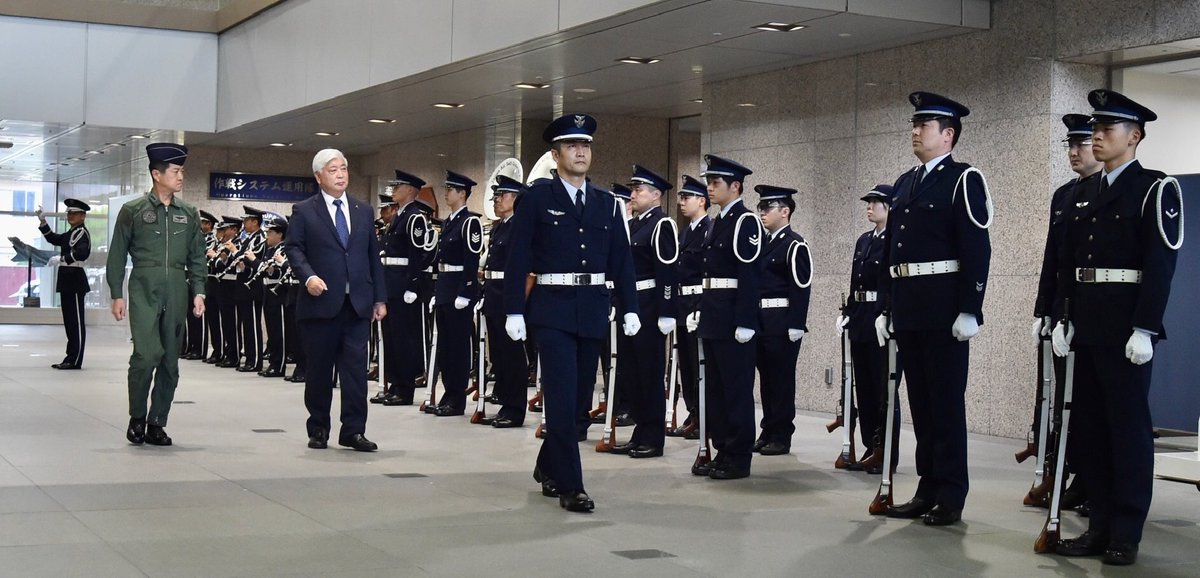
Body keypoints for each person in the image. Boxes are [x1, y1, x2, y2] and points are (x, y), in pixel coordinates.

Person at [1051, 90, 1183, 566]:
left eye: (1107, 130)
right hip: (1085, 325)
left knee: (1127, 431)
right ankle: (1098, 524)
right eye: (1096, 130)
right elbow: (1069, 262)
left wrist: (1146, 328)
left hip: (1126, 329)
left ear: (1135, 137)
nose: (1098, 138)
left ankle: (1125, 531)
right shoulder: (1084, 192)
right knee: (1089, 431)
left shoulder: (1154, 188)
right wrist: (1064, 316)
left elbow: (1160, 264)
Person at [504, 113, 640, 513]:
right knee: (561, 399)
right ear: (556, 153)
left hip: (593, 309)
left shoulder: (606, 204)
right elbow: (518, 257)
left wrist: (630, 306)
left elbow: (622, 261)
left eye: (586, 146)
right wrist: (515, 309)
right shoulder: (538, 198)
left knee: (579, 402)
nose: (581, 152)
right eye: (571, 146)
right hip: (553, 311)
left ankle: (548, 463)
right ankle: (571, 485)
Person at [876, 92, 992, 526]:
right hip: (909, 308)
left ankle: (951, 493)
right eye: (914, 124)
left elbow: (976, 248)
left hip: (944, 310)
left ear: (948, 135)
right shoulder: (906, 183)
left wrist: (970, 308)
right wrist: (887, 307)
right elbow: (893, 251)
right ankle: (927, 486)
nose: (915, 131)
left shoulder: (964, 179)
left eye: (924, 125)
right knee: (921, 405)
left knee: (945, 404)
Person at [283, 149, 387, 452]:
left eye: (343, 168)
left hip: (356, 305)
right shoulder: (304, 210)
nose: (340, 174)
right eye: (333, 170)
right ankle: (318, 428)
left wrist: (379, 298)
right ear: (318, 176)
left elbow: (372, 258)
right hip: (320, 304)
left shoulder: (363, 210)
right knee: (319, 371)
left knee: (355, 372)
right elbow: (294, 249)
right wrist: (308, 277)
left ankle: (353, 431)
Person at [106, 143, 207, 446]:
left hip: (177, 288)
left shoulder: (188, 213)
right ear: (156, 174)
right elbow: (117, 254)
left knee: (170, 362)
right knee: (146, 355)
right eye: (176, 171)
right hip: (143, 288)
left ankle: (156, 423)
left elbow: (198, 257)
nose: (181, 177)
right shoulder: (133, 211)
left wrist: (199, 291)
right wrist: (116, 293)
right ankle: (137, 416)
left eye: (182, 172)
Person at [1030, 114, 1104, 511]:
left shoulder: (1104, 192)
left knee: (1092, 406)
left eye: (1082, 144)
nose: (1074, 152)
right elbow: (1053, 259)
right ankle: (1075, 475)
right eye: (1070, 145)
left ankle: (1095, 482)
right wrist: (1044, 309)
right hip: (1063, 313)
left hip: (1093, 313)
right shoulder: (1063, 195)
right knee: (1066, 401)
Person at [688, 154, 763, 480]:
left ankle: (738, 455)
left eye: (715, 183)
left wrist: (746, 321)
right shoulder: (718, 221)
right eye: (709, 183)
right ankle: (722, 449)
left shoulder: (746, 222)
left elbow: (750, 274)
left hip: (734, 318)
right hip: (715, 315)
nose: (710, 188)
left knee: (736, 389)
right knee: (716, 389)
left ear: (735, 186)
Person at [610, 165, 678, 459]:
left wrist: (666, 311)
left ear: (656, 195)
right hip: (631, 307)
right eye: (634, 189)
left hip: (649, 306)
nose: (634, 194)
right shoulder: (635, 224)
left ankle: (653, 436)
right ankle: (640, 432)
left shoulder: (662, 225)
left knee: (649, 373)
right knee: (632, 373)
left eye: (639, 189)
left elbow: (667, 272)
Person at [841, 185, 898, 474]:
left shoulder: (895, 239)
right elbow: (856, 282)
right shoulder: (864, 240)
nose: (869, 206)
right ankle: (868, 444)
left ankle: (885, 449)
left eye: (875, 202)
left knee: (882, 388)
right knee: (863, 387)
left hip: (880, 319)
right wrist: (849, 312)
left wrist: (887, 312)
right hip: (862, 318)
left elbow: (892, 281)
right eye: (868, 202)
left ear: (888, 207)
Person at [752, 185, 811, 456]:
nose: (762, 212)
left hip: (782, 321)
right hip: (762, 319)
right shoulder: (762, 243)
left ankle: (782, 434)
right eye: (760, 207)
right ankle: (768, 428)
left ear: (785, 211)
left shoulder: (794, 244)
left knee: (781, 380)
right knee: (766, 380)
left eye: (768, 208)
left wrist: (796, 324)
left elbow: (801, 286)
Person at [374, 170, 433, 406]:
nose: (394, 190)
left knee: (403, 339)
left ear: (410, 189)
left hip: (403, 287)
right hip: (391, 284)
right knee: (391, 338)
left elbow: (416, 255)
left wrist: (412, 286)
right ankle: (395, 384)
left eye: (398, 186)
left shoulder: (415, 217)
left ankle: (405, 389)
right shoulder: (399, 216)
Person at [429, 170, 483, 416]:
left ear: (462, 193)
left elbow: (471, 261)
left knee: (458, 347)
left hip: (458, 292)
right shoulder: (449, 222)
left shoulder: (469, 222)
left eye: (450, 189)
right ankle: (448, 393)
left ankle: (456, 398)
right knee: (446, 347)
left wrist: (466, 291)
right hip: (445, 289)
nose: (446, 193)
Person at [478, 175, 528, 427]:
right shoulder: (498, 226)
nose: (497, 200)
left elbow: (524, 268)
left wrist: (518, 304)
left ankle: (515, 408)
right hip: (494, 293)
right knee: (498, 354)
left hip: (510, 295)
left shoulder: (520, 226)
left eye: (502, 195)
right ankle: (505, 403)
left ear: (516, 199)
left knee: (512, 356)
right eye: (496, 195)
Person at [668, 175, 711, 440]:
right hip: (683, 305)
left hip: (698, 304)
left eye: (687, 197)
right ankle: (693, 410)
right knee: (685, 363)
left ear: (702, 200)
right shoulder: (685, 232)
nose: (682, 202)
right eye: (681, 197)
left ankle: (703, 415)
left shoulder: (709, 229)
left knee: (698, 365)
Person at [38, 198, 92, 370]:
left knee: (76, 321)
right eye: (69, 213)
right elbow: (54, 239)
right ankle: (70, 357)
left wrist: (62, 259)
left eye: (74, 213)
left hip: (75, 279)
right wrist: (43, 222)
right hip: (67, 279)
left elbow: (82, 253)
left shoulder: (82, 233)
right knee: (69, 321)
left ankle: (75, 359)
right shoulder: (71, 233)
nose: (70, 216)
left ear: (83, 216)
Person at [232, 206, 267, 373]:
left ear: (255, 222)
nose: (244, 223)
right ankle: (250, 358)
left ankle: (255, 360)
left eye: (247, 220)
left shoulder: (260, 238)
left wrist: (235, 253)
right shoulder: (247, 238)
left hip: (253, 288)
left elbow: (252, 259)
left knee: (252, 325)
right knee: (246, 324)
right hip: (243, 287)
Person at [181, 211, 216, 360]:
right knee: (190, 316)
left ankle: (199, 348)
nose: (199, 225)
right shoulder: (194, 238)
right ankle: (190, 346)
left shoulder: (211, 240)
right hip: (189, 278)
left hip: (202, 279)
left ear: (208, 225)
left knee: (198, 317)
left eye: (202, 223)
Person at [258, 216, 289, 378]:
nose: (267, 235)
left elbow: (284, 270)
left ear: (280, 234)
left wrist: (272, 269)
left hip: (279, 292)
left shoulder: (284, 249)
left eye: (270, 232)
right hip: (267, 290)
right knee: (271, 329)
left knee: (279, 331)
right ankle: (273, 362)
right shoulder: (269, 249)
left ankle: (280, 364)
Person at [213, 216, 243, 368]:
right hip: (222, 284)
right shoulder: (225, 244)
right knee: (226, 321)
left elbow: (235, 264)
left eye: (226, 229)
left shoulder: (239, 243)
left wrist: (226, 256)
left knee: (232, 322)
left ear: (234, 230)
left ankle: (234, 354)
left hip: (233, 285)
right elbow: (218, 263)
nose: (223, 232)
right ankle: (228, 352)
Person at [200, 211, 225, 364]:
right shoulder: (216, 243)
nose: (219, 234)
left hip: (219, 284)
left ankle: (220, 350)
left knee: (219, 321)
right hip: (210, 282)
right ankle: (216, 350)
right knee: (212, 320)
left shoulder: (214, 242)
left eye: (221, 231)